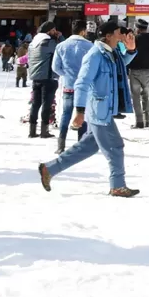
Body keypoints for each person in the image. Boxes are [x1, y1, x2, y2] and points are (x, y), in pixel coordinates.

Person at [37, 21, 139, 198]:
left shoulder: (111, 52)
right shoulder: (95, 55)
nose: (121, 35)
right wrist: (80, 110)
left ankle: (50, 168)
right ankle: (118, 185)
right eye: (118, 33)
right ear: (108, 36)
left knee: (89, 146)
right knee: (115, 146)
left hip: (102, 108)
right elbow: (82, 83)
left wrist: (130, 50)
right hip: (99, 111)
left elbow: (120, 64)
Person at [52, 23, 94, 154]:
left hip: (68, 85)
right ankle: (81, 145)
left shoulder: (61, 46)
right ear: (82, 31)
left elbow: (55, 67)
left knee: (66, 114)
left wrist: (66, 75)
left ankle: (61, 144)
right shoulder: (90, 46)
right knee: (83, 114)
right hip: (85, 87)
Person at [27, 22, 62, 139]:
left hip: (35, 77)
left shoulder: (33, 43)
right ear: (48, 31)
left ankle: (32, 131)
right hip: (48, 77)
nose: (55, 32)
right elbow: (62, 49)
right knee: (47, 104)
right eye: (53, 30)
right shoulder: (49, 42)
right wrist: (60, 37)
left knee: (35, 104)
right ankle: (44, 130)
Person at [128, 20, 149, 130]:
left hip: (135, 70)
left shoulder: (135, 39)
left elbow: (128, 51)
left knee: (136, 96)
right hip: (147, 70)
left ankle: (139, 121)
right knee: (145, 95)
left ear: (137, 28)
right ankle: (147, 120)